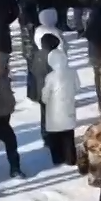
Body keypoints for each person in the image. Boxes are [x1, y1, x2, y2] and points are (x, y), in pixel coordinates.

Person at [40, 34, 81, 164]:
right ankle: (71, 158)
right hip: (68, 106)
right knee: (68, 134)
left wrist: (45, 99)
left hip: (54, 109)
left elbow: (46, 94)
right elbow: (78, 87)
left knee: (55, 134)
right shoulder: (72, 72)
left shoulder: (50, 77)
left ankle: (57, 158)